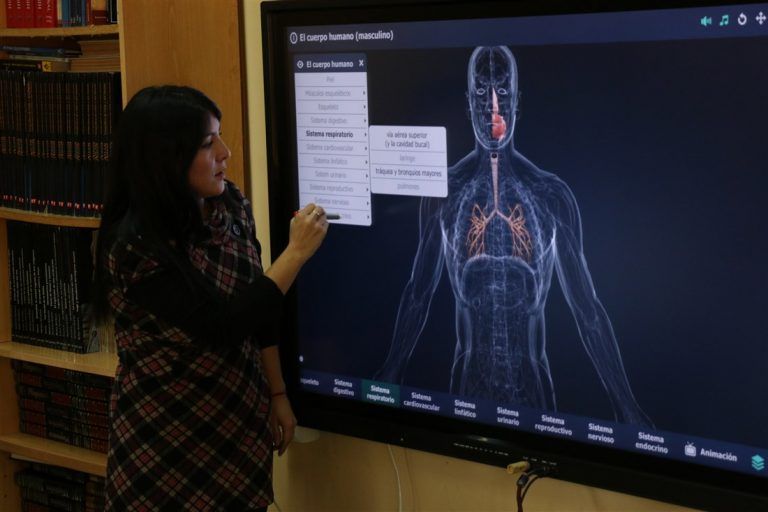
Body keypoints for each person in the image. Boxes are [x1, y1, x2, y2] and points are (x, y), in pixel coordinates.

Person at [375, 46, 651, 426]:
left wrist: (627, 407)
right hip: (465, 403)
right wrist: (389, 374)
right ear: (467, 102)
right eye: (481, 93)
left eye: (502, 92)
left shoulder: (549, 195)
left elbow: (588, 311)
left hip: (534, 403)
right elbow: (418, 295)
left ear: (518, 101)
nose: (492, 108)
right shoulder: (445, 192)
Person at [93, 85, 328, 511]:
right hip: (166, 444)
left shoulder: (229, 205)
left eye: (219, 136)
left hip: (237, 429)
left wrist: (277, 393)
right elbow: (221, 326)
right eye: (207, 143)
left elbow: (259, 305)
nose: (225, 152)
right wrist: (295, 253)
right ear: (165, 158)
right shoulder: (133, 247)